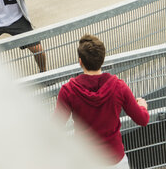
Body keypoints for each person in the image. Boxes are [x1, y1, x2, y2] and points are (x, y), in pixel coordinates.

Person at [54, 34, 149, 168]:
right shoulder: (119, 87)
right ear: (102, 60)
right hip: (115, 160)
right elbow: (142, 119)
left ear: (80, 61)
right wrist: (142, 106)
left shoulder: (68, 91)